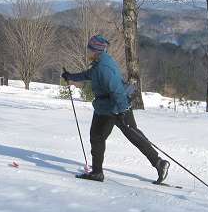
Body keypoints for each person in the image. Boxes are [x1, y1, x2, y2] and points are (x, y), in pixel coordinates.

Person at [61, 34, 170, 184]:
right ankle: (159, 163)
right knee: (134, 135)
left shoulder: (104, 67)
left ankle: (97, 173)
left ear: (96, 50)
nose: (88, 51)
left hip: (111, 107)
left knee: (97, 137)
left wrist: (122, 110)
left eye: (90, 49)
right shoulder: (100, 62)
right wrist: (71, 76)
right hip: (116, 105)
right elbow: (89, 74)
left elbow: (116, 90)